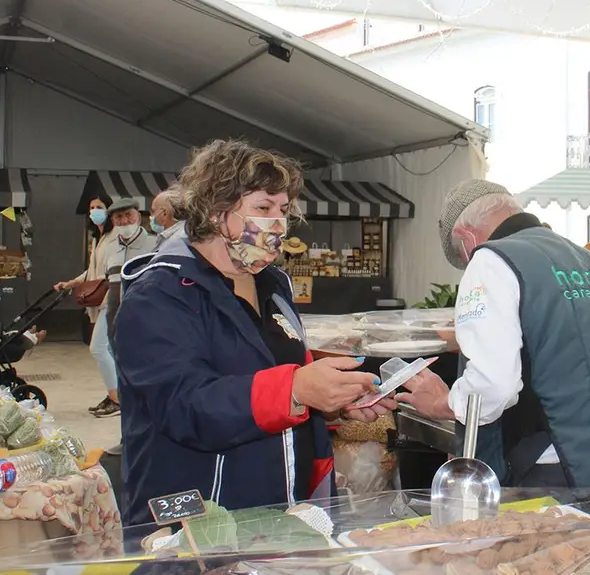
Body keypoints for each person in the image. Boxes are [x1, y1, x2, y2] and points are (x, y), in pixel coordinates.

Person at [114, 139, 396, 527]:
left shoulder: (274, 285)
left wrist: (330, 401)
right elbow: (185, 406)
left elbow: (287, 377)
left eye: (283, 210)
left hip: (278, 512)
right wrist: (295, 390)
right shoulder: (158, 296)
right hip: (197, 522)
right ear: (215, 212)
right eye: (263, 208)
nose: (278, 223)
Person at [396, 179, 590, 490]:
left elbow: (494, 385)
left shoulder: (491, 259)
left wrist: (445, 402)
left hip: (549, 474)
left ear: (466, 238)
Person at [54, 196, 118, 417]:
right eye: (91, 208)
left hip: (110, 298)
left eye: (99, 207)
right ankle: (114, 395)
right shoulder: (97, 238)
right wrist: (71, 283)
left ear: (109, 211)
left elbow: (111, 272)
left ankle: (118, 399)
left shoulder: (116, 236)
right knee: (108, 350)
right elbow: (92, 271)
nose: (94, 211)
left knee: (98, 347)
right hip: (96, 299)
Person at [97, 198, 157, 421]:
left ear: (138, 216)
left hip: (144, 323)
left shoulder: (155, 244)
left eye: (128, 215)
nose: (124, 221)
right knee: (124, 375)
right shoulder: (111, 248)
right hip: (116, 322)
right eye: (118, 217)